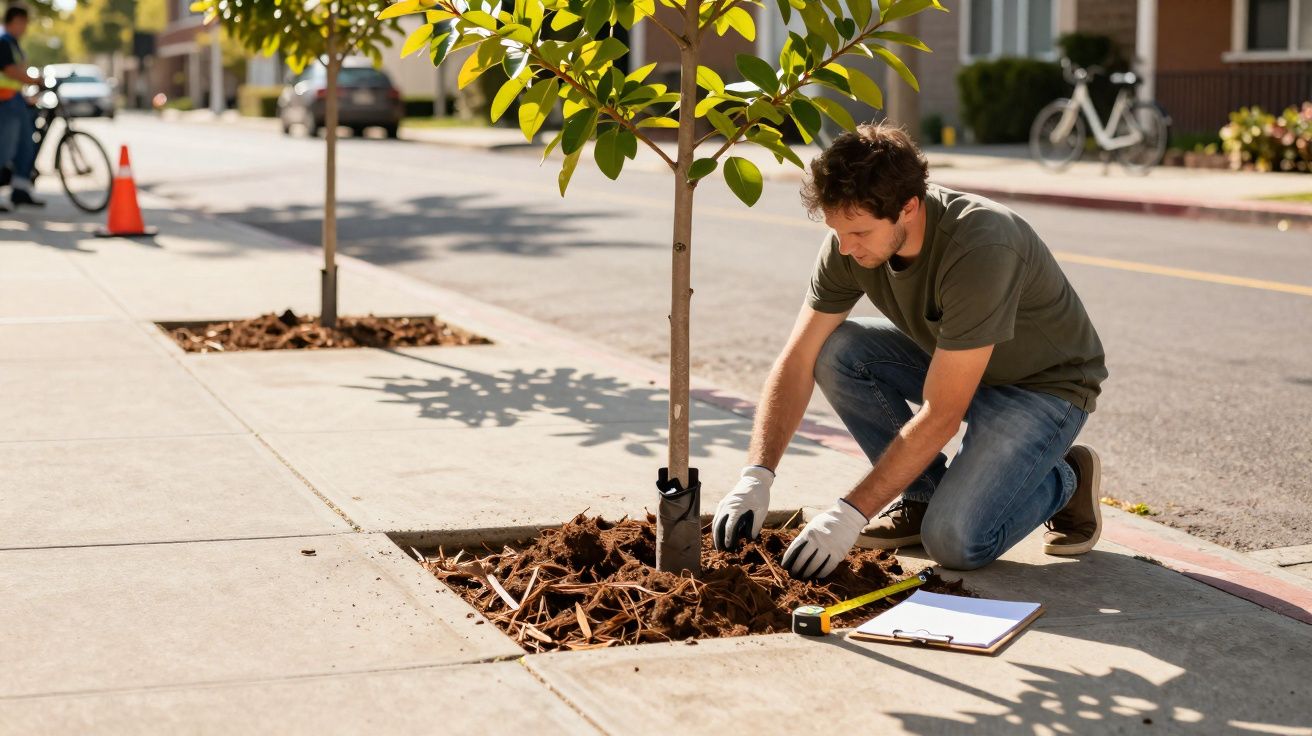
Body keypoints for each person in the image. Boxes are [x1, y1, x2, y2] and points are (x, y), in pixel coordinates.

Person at [712, 123, 1108, 579]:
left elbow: (941, 414)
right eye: (836, 229)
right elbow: (797, 357)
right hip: (953, 363)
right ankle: (923, 497)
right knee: (836, 350)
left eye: (858, 232)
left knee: (956, 542)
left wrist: (850, 513)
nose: (845, 246)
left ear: (909, 207)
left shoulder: (982, 244)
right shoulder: (848, 242)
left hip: (1040, 388)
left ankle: (1065, 477)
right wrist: (756, 475)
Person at [0, 5, 44, 210]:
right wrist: (34, 80)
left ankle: (20, 190)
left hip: (15, 99)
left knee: (26, 145)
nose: (26, 27)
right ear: (15, 21)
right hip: (4, 101)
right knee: (4, 148)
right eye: (24, 23)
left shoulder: (14, 44)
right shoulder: (3, 41)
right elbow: (9, 71)